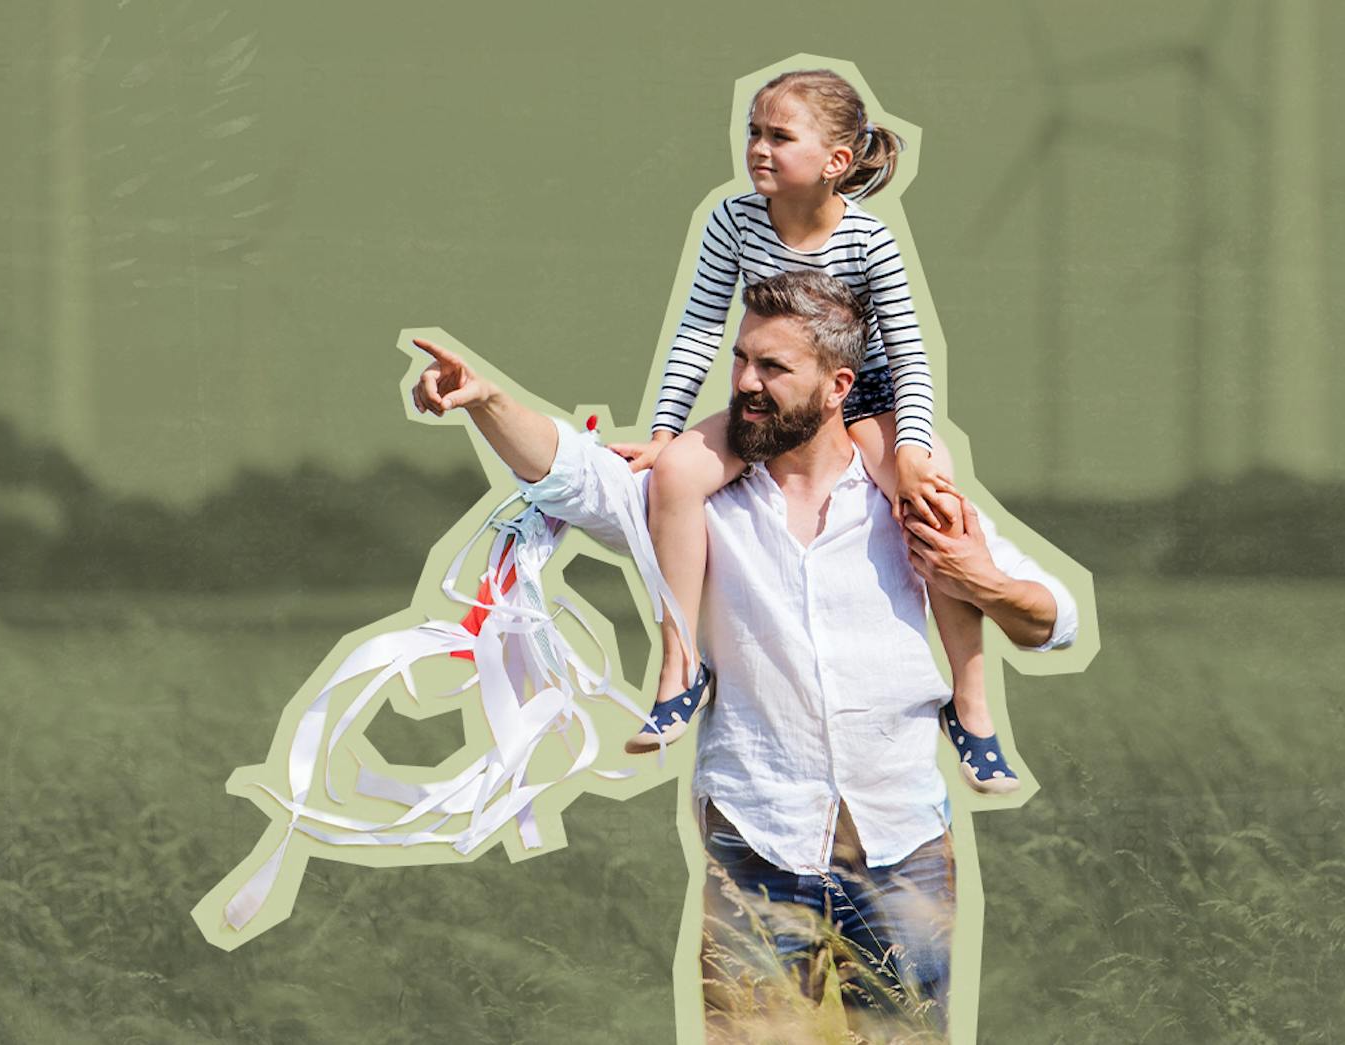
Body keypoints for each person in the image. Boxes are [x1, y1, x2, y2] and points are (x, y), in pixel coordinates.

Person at [409, 270, 1079, 1037]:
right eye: (741, 360)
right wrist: (488, 401)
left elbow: (1053, 618)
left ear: (838, 386)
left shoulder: (904, 495)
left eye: (773, 367)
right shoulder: (692, 500)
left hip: (903, 845)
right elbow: (573, 473)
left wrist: (978, 578)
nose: (745, 383)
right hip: (755, 842)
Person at [603, 69, 1014, 794]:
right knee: (677, 475)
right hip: (772, 398)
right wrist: (666, 432)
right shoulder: (732, 221)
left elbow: (910, 353)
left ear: (835, 161)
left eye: (779, 136)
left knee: (935, 502)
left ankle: (973, 706)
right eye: (753, 133)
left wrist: (912, 449)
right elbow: (698, 330)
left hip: (866, 398)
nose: (759, 148)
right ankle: (679, 667)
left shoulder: (869, 240)